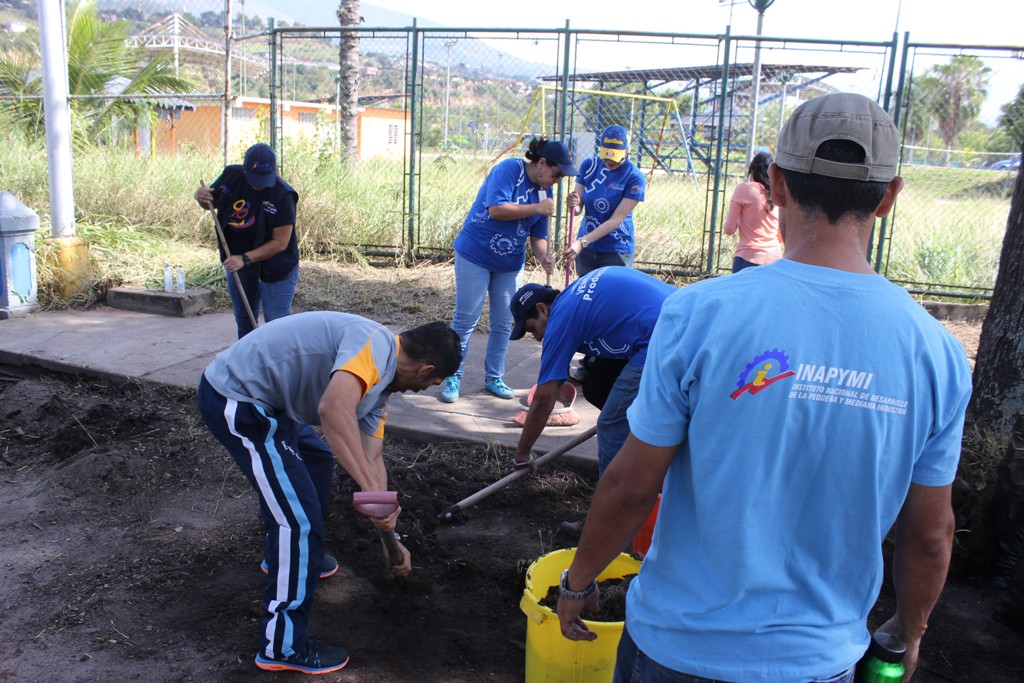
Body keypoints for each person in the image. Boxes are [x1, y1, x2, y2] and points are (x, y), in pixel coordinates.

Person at [556, 93, 973, 683]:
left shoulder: (700, 313)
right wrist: (908, 632)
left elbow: (630, 484)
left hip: (677, 649)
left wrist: (579, 582)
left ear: (775, 184)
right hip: (819, 662)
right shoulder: (936, 352)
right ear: (888, 197)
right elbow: (931, 533)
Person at [197, 312, 461, 675]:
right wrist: (370, 489)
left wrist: (391, 536)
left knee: (317, 458)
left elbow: (372, 456)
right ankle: (282, 645)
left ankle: (294, 559)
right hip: (238, 400)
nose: (425, 390)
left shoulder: (380, 389)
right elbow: (332, 409)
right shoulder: (374, 344)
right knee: (299, 522)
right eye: (434, 383)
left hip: (270, 406)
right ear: (426, 370)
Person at [439, 137, 574, 404]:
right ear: (542, 163)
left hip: (510, 263)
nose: (556, 181)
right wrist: (538, 207)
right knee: (466, 318)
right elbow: (497, 209)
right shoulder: (509, 170)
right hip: (475, 254)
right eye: (556, 174)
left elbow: (538, 235)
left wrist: (544, 255)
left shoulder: (546, 192)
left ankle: (493, 377)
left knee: (503, 322)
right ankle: (453, 375)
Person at [508, 267, 675, 482]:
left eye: (532, 329)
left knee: (611, 424)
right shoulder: (574, 296)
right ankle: (640, 455)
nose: (538, 338)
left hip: (666, 336)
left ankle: (612, 509)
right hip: (675, 315)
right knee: (597, 386)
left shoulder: (560, 320)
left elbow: (543, 399)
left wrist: (522, 454)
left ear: (542, 309)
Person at [194, 142, 300, 339]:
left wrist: (245, 258)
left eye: (265, 178)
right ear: (244, 169)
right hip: (240, 263)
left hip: (276, 266)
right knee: (245, 321)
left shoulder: (283, 194)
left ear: (275, 170)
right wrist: (200, 197)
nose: (260, 184)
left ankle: (278, 368)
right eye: (255, 178)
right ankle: (248, 367)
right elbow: (211, 202)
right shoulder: (231, 176)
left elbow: (280, 243)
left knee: (277, 326)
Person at [564, 125, 647, 277]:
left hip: (616, 249)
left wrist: (582, 242)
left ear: (627, 151)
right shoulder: (589, 166)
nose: (609, 160)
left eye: (614, 155)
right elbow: (578, 208)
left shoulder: (634, 178)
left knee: (611, 297)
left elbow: (616, 220)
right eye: (606, 155)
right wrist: (573, 203)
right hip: (587, 247)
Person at [723, 150, 783, 273]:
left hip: (747, 258)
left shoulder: (743, 189)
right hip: (775, 259)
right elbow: (780, 237)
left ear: (752, 170)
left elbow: (729, 229)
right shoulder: (778, 193)